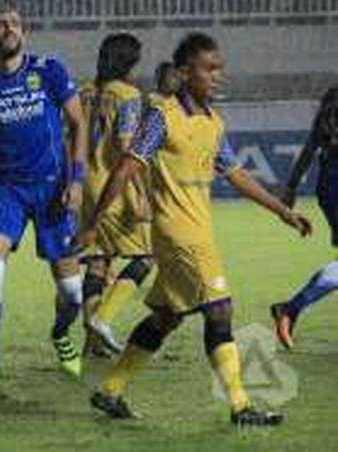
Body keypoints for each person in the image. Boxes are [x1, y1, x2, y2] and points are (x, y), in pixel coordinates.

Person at [78, 32, 312, 426]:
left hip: (196, 232)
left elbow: (236, 174)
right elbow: (127, 166)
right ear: (185, 73)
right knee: (220, 310)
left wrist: (281, 211)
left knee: (164, 319)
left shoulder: (212, 122)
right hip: (177, 234)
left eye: (220, 69)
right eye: (209, 69)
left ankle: (110, 390)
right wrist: (93, 224)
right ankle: (241, 407)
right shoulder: (163, 116)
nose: (217, 77)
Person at [0, 8, 88, 389]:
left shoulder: (50, 70)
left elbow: (79, 123)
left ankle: (61, 334)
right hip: (7, 188)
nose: (9, 29)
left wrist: (77, 180)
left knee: (72, 292)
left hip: (53, 188)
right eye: (1, 24)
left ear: (24, 33)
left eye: (15, 24)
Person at [78, 33, 154, 359]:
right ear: (128, 62)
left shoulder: (85, 91)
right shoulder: (127, 95)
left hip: (85, 185)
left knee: (98, 262)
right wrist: (140, 193)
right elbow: (126, 147)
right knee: (146, 257)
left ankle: (93, 344)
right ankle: (103, 319)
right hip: (114, 187)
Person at [271, 86, 338, 349]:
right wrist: (290, 188)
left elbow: (311, 147)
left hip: (329, 183)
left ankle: (289, 309)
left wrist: (291, 187)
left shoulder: (332, 100)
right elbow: (313, 146)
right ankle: (290, 308)